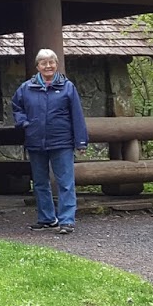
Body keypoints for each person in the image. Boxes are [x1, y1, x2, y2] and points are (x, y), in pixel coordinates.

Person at [11, 48, 89, 234]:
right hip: (35, 140)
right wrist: (24, 123)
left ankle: (67, 221)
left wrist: (81, 141)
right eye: (44, 63)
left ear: (56, 64)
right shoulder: (26, 88)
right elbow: (16, 106)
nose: (48, 66)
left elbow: (77, 115)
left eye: (51, 62)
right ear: (37, 66)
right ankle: (47, 219)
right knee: (40, 183)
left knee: (65, 183)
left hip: (62, 141)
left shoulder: (67, 87)